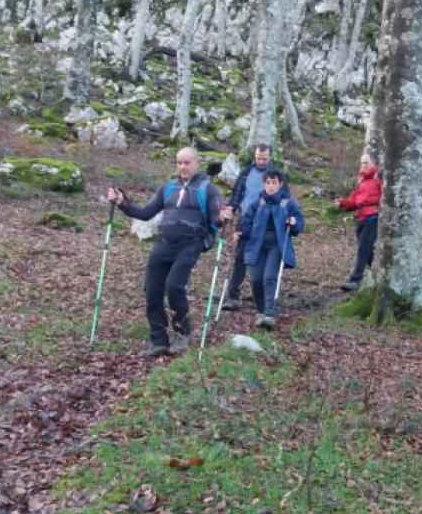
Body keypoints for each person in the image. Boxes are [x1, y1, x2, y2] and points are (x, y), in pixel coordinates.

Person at [107, 147, 223, 358]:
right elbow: (145, 213)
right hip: (165, 242)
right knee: (152, 290)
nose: (183, 167)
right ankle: (158, 339)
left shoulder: (208, 189)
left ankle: (182, 332)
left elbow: (216, 220)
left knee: (174, 285)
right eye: (179, 163)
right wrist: (122, 203)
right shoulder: (167, 188)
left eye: (187, 163)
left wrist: (224, 218)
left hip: (192, 242)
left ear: (197, 164)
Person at [219, 143, 286, 312]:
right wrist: (230, 208)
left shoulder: (276, 175)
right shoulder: (246, 173)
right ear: (254, 156)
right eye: (258, 158)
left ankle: (262, 293)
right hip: (245, 219)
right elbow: (237, 194)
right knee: (240, 256)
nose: (261, 161)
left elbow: (285, 197)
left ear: (270, 157)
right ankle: (233, 296)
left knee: (262, 256)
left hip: (266, 221)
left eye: (264, 158)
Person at [238, 170, 304, 330]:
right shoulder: (257, 202)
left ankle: (269, 313)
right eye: (268, 182)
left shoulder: (288, 202)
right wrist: (240, 231)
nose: (271, 186)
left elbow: (299, 223)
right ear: (264, 184)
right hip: (256, 245)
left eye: (274, 182)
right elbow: (246, 222)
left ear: (280, 184)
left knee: (269, 278)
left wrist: (294, 222)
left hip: (277, 245)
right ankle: (260, 311)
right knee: (255, 280)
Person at [338, 153, 382, 292]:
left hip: (373, 218)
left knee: (363, 248)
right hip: (361, 218)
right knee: (367, 252)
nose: (363, 165)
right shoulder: (361, 180)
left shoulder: (379, 178)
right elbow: (354, 201)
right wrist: (342, 203)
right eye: (362, 163)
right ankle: (381, 273)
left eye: (366, 163)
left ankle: (355, 280)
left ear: (374, 164)